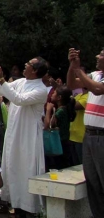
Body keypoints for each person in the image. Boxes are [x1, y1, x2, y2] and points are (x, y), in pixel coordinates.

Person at [0, 57, 49, 218]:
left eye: (28, 64)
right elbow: (0, 91)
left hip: (28, 136)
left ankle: (29, 209)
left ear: (34, 70)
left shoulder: (41, 89)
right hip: (14, 134)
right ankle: (16, 206)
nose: (24, 65)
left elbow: (19, 100)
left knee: (27, 169)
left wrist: (0, 79)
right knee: (12, 167)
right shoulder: (20, 82)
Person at [67, 47, 104, 218]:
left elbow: (96, 89)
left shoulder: (96, 81)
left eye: (101, 54)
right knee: (92, 181)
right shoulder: (95, 74)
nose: (97, 56)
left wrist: (77, 70)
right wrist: (72, 66)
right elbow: (72, 84)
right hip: (89, 135)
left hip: (102, 137)